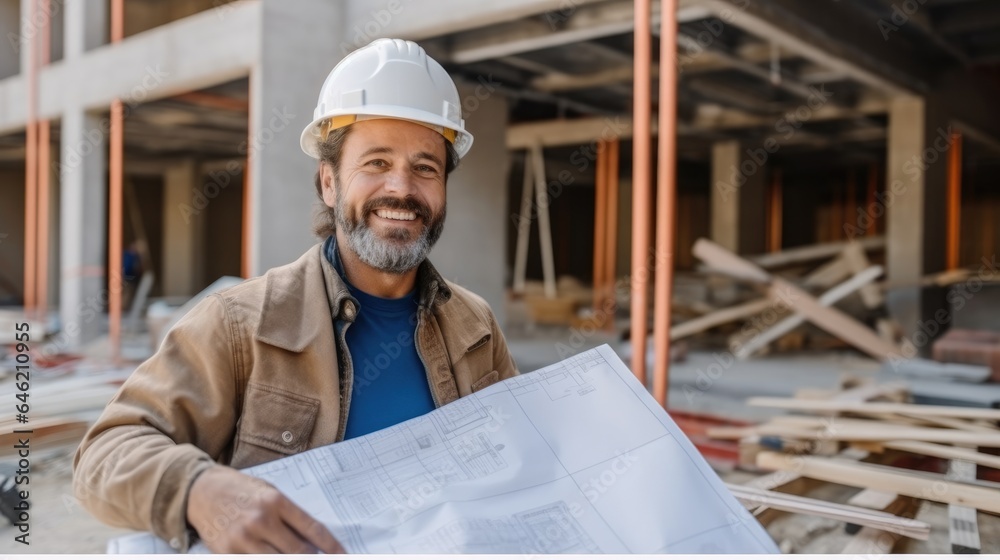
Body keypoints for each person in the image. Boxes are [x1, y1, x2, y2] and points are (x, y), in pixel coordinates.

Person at [73, 38, 518, 554]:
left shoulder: (474, 325)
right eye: (375, 162)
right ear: (329, 183)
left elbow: (526, 453)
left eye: (425, 168)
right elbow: (104, 454)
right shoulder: (241, 324)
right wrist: (199, 490)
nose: (402, 189)